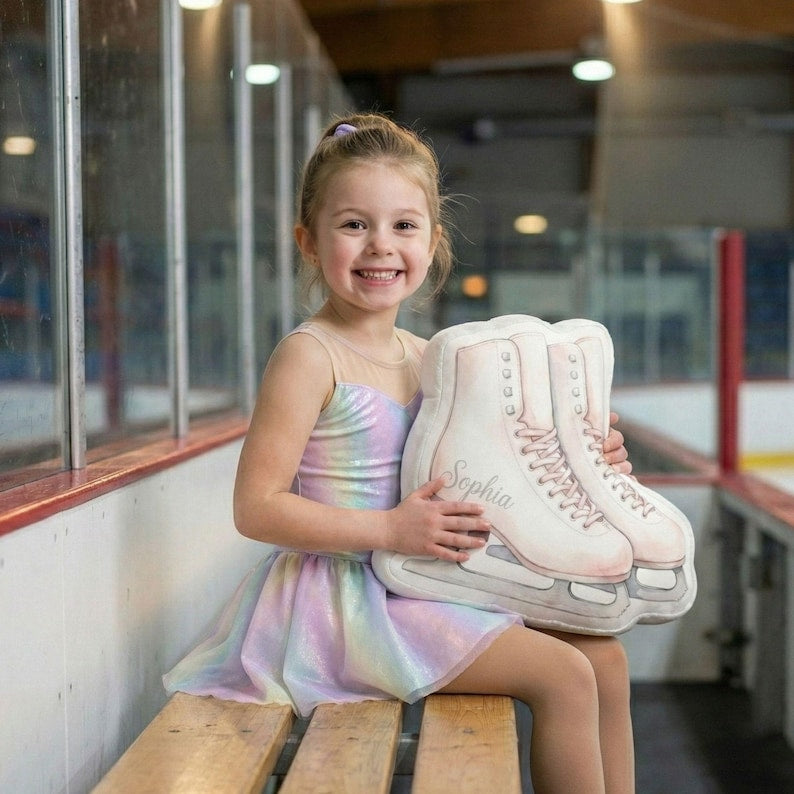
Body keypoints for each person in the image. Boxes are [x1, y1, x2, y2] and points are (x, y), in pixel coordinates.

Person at [164, 112, 635, 793]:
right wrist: (389, 529)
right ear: (308, 241)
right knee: (563, 675)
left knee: (606, 659)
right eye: (354, 224)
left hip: (429, 582)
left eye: (403, 225)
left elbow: (499, 470)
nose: (380, 245)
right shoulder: (309, 355)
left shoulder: (433, 356)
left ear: (433, 241)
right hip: (351, 604)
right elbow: (256, 508)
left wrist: (586, 459)